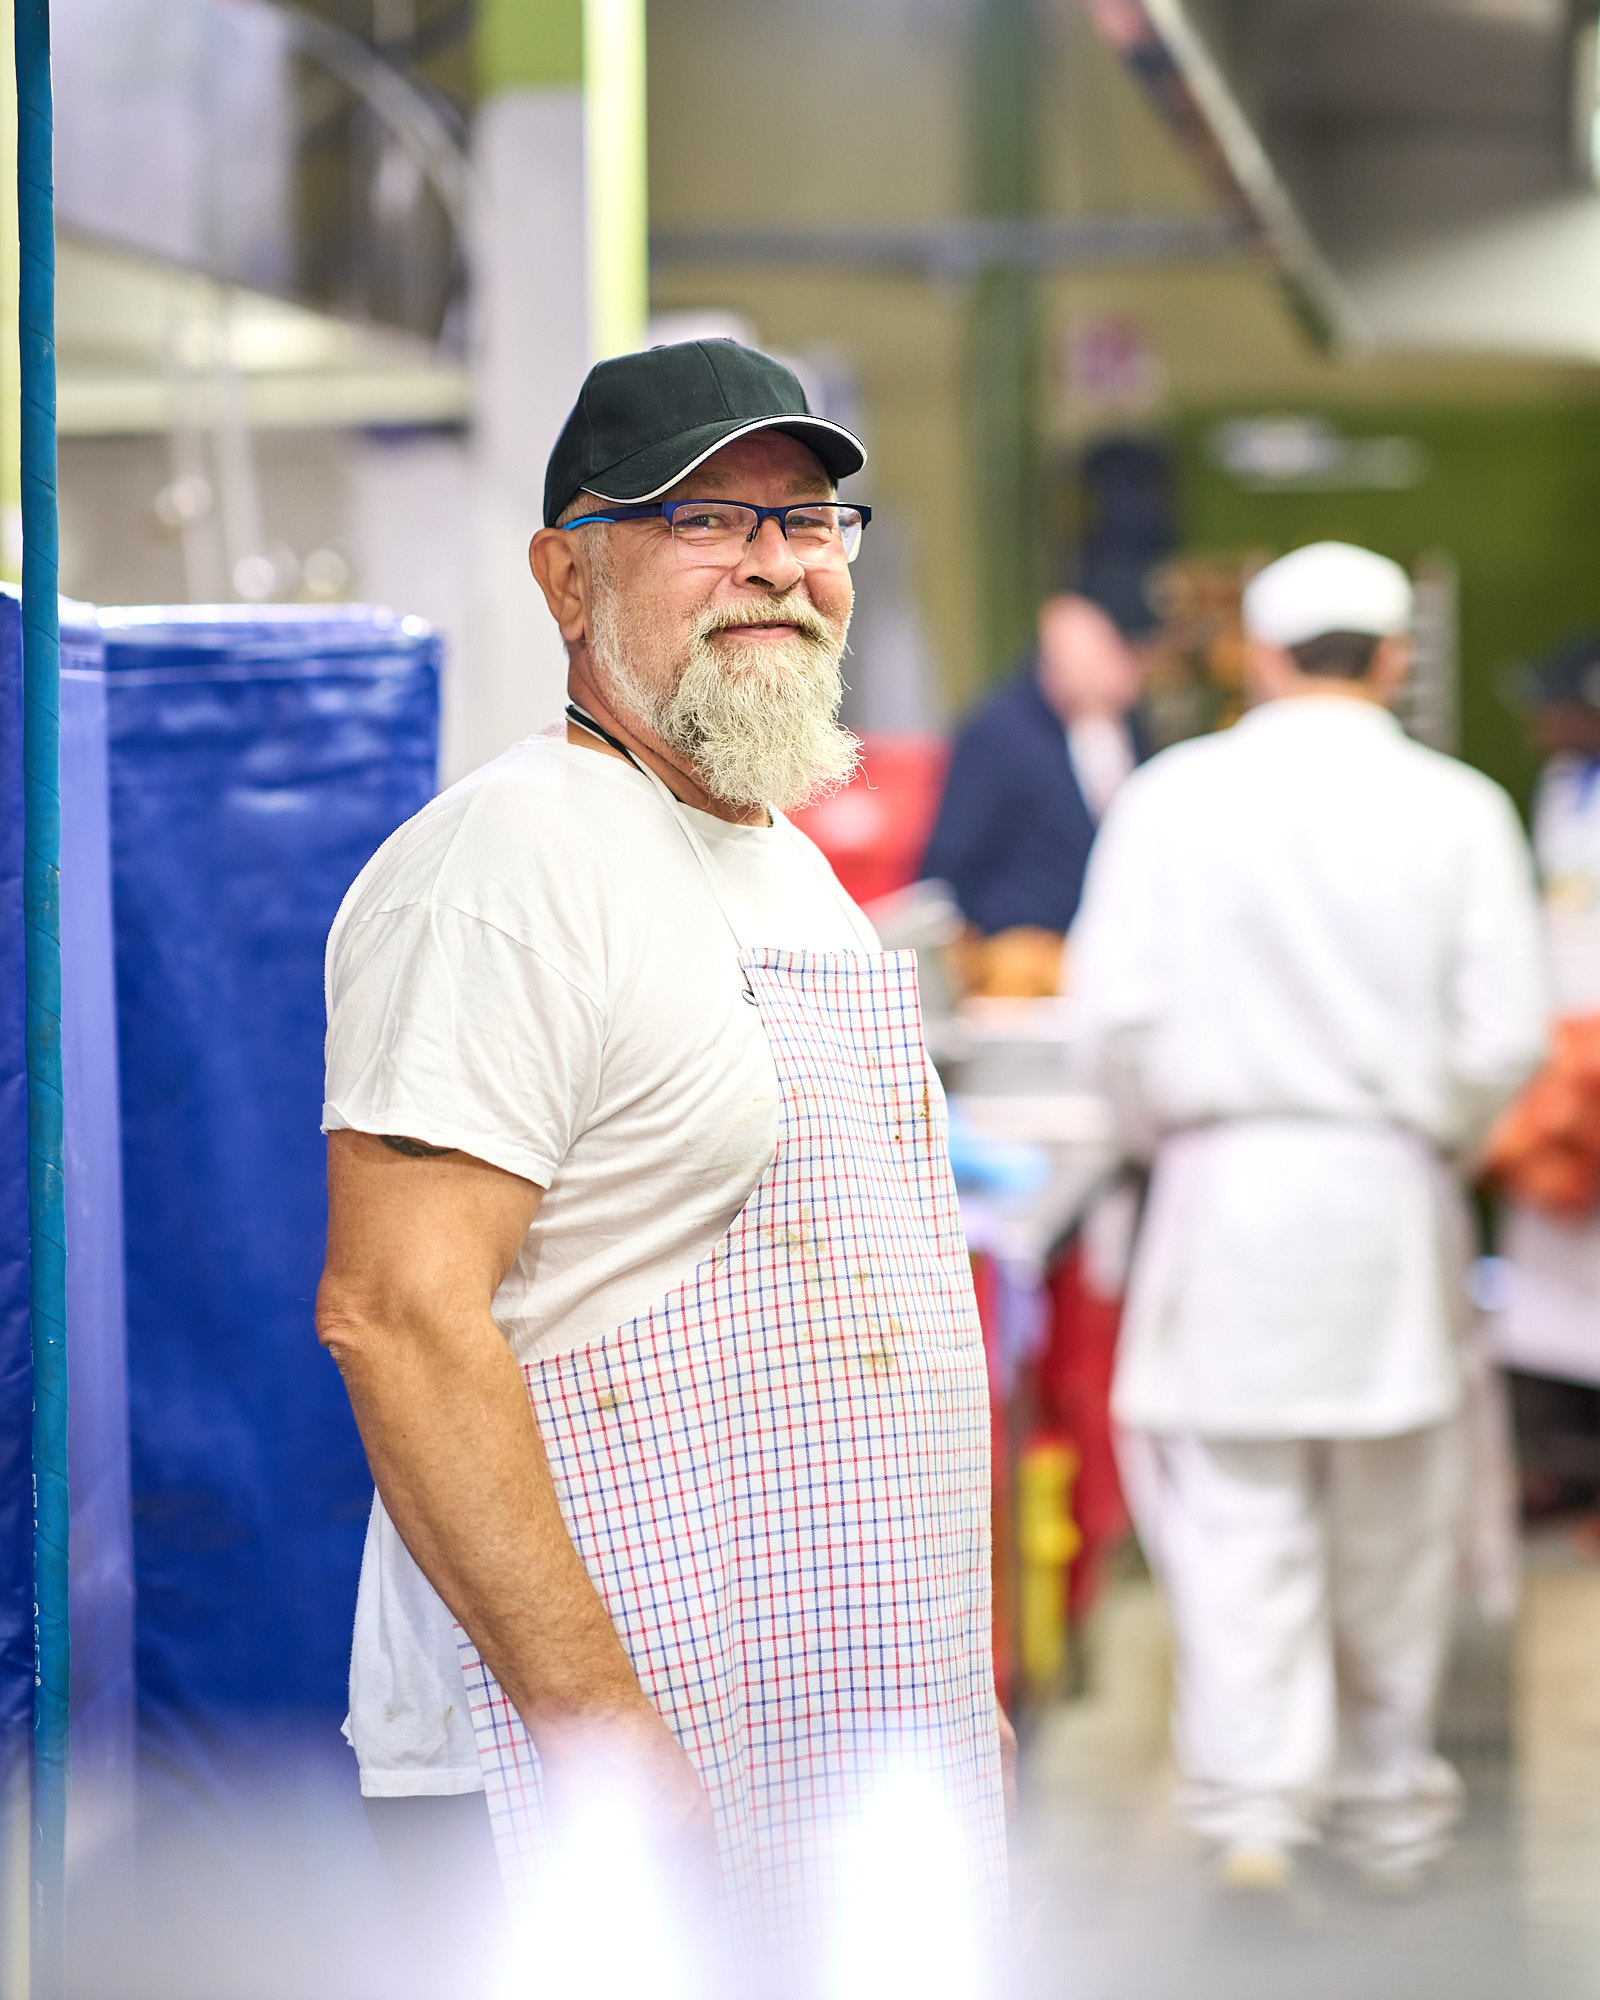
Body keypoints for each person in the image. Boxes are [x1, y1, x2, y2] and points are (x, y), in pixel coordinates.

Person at [314, 338, 1009, 1978]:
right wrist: (612, 1747)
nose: (776, 564)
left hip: (809, 1740)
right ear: (568, 573)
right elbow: (399, 1319)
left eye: (809, 522)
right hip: (579, 1779)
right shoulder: (505, 866)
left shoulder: (775, 854)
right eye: (706, 518)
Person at [1071, 540, 1546, 1892]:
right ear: (1393, 664)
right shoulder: (1458, 808)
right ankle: (1387, 1796)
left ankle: (1255, 1808)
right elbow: (1504, 1034)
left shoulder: (1174, 796)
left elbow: (1112, 1017)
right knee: (1396, 1530)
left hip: (1225, 1201)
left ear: (1259, 658)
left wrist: (1178, 1132)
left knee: (1234, 1527)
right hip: (1388, 1199)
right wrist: (1428, 1137)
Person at [1488, 634, 1600, 1535]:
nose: (1541, 724)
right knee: (1549, 1273)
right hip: (1560, 1053)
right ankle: (1564, 1468)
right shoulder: (1561, 787)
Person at [920, 592, 1146, 995]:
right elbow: (953, 850)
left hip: (1107, 947)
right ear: (1055, 666)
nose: (1115, 675)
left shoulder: (1121, 726)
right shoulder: (998, 735)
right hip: (1023, 953)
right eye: (1095, 665)